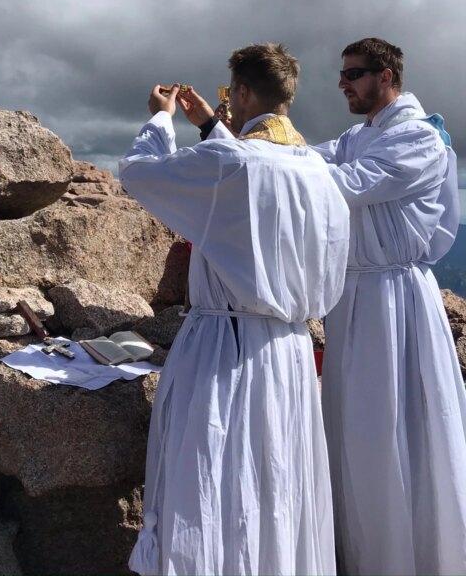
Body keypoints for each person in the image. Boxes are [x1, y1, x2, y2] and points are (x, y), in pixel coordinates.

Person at [120, 43, 350, 576]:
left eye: (231, 94)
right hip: (289, 351)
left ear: (242, 93)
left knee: (211, 480)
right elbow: (253, 182)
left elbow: (140, 172)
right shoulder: (319, 172)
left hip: (226, 348)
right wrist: (211, 126)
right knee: (279, 485)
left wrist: (162, 118)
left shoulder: (230, 162)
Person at [314, 37, 466, 575]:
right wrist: (231, 138)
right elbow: (310, 158)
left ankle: (410, 557)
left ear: (386, 76)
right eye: (342, 74)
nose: (342, 84)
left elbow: (346, 184)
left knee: (392, 428)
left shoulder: (419, 139)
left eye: (352, 73)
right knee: (357, 429)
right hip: (355, 297)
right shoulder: (360, 135)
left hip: (394, 301)